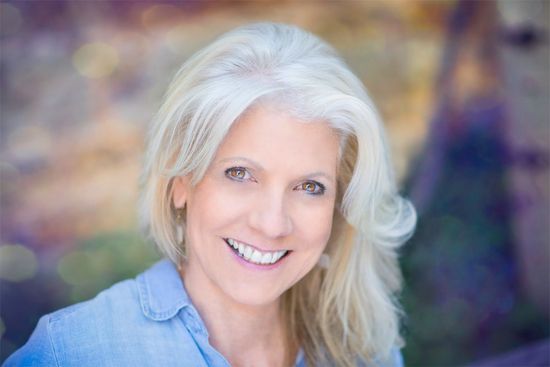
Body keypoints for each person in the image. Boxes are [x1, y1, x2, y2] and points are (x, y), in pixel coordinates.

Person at [4, 22, 416, 367]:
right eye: (239, 174)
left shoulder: (368, 355)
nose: (272, 223)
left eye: (310, 187)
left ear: (339, 206)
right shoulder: (76, 352)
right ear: (181, 181)